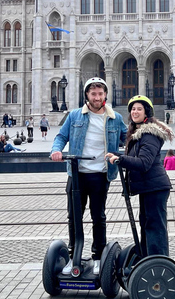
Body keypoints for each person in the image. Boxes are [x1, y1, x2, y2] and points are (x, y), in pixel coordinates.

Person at [51, 77, 128, 275]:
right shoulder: (75, 116)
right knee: (74, 217)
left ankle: (98, 257)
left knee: (98, 217)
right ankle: (72, 257)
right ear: (87, 95)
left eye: (100, 94)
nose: (97, 97)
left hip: (100, 174)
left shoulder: (115, 118)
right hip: (77, 174)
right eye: (93, 94)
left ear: (105, 95)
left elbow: (129, 139)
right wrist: (56, 150)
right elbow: (61, 136)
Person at [106, 95, 173, 257]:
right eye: (133, 109)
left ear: (147, 113)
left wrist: (120, 160)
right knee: (147, 223)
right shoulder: (138, 133)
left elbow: (143, 163)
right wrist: (117, 155)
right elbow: (136, 157)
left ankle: (158, 264)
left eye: (139, 109)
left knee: (155, 226)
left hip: (155, 188)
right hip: (148, 187)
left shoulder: (150, 134)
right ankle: (148, 261)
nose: (135, 112)